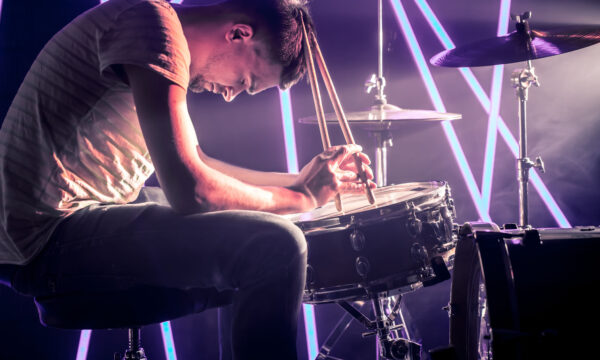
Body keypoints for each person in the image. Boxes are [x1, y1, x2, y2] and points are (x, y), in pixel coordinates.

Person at [0, 0, 374, 358]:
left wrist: (297, 181)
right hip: (44, 238)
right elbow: (191, 190)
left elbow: (197, 162)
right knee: (278, 245)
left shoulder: (156, 28)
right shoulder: (152, 28)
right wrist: (301, 198)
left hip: (56, 225)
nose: (231, 95)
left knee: (265, 226)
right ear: (239, 33)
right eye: (245, 81)